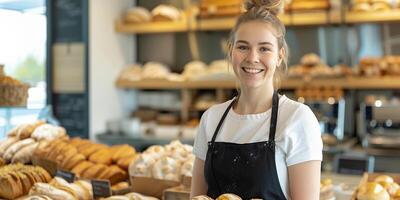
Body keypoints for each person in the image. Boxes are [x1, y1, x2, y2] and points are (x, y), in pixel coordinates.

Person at [190, 0, 323, 199]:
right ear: (230, 51)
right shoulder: (211, 119)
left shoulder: (297, 119)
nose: (252, 57)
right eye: (243, 47)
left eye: (264, 49)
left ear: (280, 56)